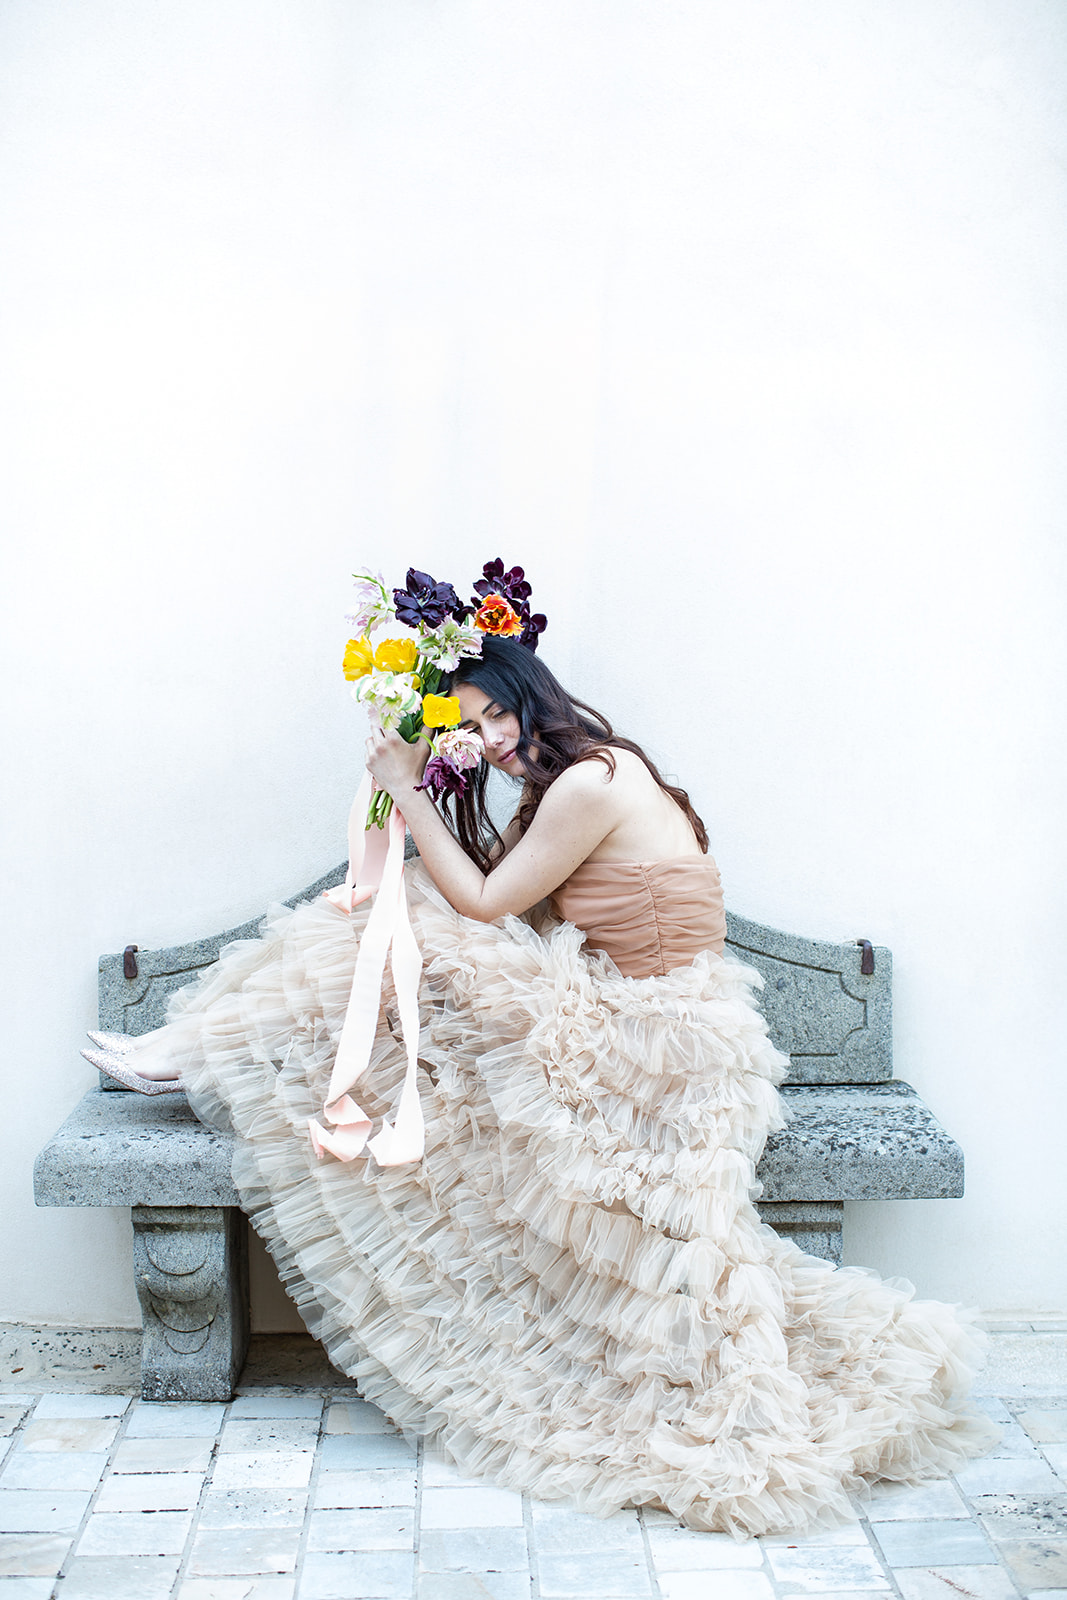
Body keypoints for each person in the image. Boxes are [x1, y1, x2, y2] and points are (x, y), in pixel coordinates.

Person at [82, 635, 995, 1536]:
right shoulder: (572, 782)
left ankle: (193, 1050)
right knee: (402, 916)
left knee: (419, 918)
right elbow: (487, 893)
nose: (492, 738)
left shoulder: (592, 783)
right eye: (471, 726)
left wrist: (405, 785)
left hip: (657, 1048)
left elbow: (488, 904)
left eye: (499, 713)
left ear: (535, 696)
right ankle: (199, 1045)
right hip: (630, 1016)